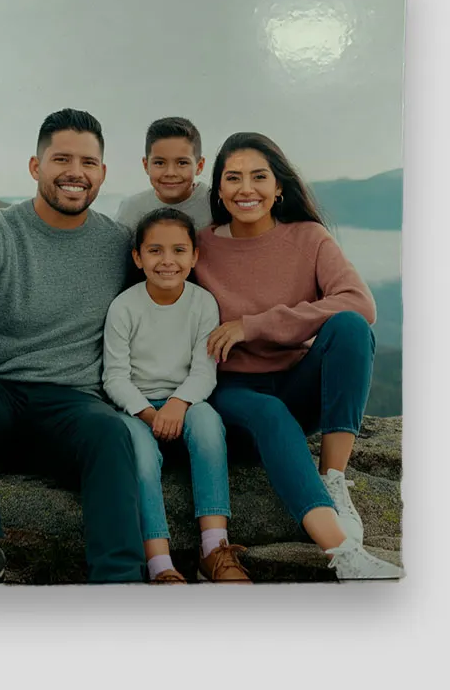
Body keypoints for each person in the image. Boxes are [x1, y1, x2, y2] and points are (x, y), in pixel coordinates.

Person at [0, 108, 146, 585]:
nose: (75, 172)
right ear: (36, 166)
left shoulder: (119, 245)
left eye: (88, 163)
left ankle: (120, 582)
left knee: (111, 432)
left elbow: (170, 294)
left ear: (102, 173)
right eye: (61, 159)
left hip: (71, 409)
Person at [193, 132, 403, 580]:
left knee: (350, 327)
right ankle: (344, 556)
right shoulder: (199, 247)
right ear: (218, 190)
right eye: (233, 178)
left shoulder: (308, 238)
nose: (246, 189)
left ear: (278, 187)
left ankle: (333, 479)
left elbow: (360, 303)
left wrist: (253, 325)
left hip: (297, 385)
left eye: (259, 177)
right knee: (269, 413)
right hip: (232, 394)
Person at [103, 208, 251, 584]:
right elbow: (114, 377)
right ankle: (160, 565)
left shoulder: (202, 303)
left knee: (208, 425)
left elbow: (204, 372)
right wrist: (148, 414)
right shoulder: (124, 307)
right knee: (139, 455)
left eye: (179, 251)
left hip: (185, 402)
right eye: (155, 251)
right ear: (138, 257)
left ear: (194, 257)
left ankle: (213, 549)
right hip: (135, 410)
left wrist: (178, 404)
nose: (167, 261)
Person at [115, 117, 214, 233]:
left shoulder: (213, 204)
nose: (170, 173)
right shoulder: (131, 210)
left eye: (182, 163)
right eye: (159, 163)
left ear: (199, 166)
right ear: (146, 165)